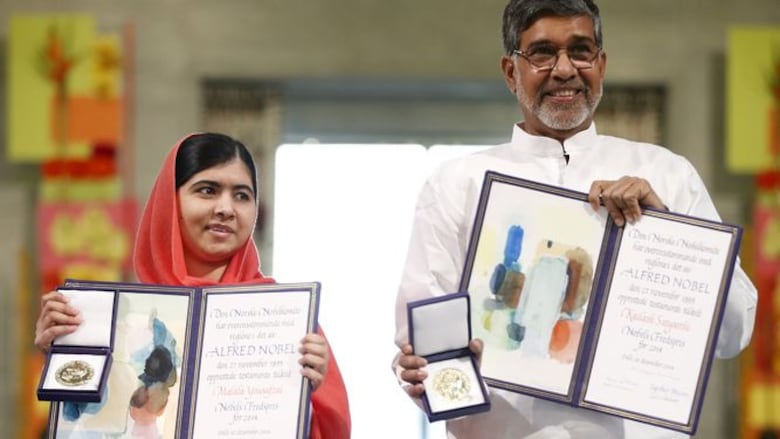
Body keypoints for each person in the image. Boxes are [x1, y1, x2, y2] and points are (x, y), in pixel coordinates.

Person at [392, 1, 757, 438]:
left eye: (580, 50)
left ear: (600, 65)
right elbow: (424, 347)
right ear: (511, 72)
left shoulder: (668, 175)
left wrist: (666, 233)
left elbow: (734, 332)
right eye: (542, 53)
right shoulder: (458, 184)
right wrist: (421, 374)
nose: (564, 69)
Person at [35, 132, 351, 438]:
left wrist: (311, 394)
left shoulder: (287, 321)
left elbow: (331, 430)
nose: (226, 208)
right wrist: (66, 350)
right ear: (169, 203)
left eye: (242, 195)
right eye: (207, 190)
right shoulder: (121, 318)